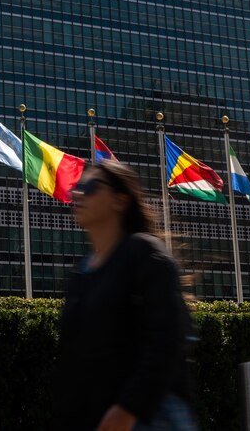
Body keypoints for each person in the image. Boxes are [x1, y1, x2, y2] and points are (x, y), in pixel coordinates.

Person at [54, 159, 197, 431]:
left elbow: (168, 338)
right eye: (78, 186)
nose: (78, 193)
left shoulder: (144, 252)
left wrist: (129, 408)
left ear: (120, 200)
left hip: (152, 417)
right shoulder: (81, 274)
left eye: (92, 186)